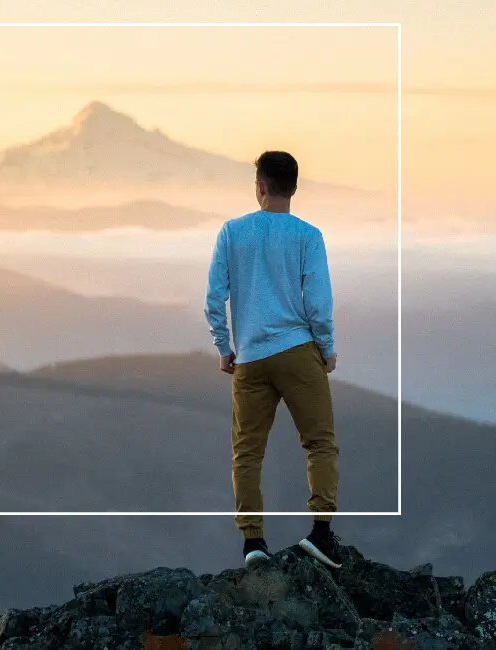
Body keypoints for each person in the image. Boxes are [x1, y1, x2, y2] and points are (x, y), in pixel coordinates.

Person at [204, 150, 343, 569]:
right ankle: (321, 533)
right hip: (297, 351)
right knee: (319, 442)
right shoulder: (307, 235)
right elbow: (318, 303)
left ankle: (253, 543)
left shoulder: (232, 232)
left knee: (247, 452)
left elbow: (214, 298)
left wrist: (224, 346)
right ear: (294, 187)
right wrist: (327, 348)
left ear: (260, 187)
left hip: (249, 358)